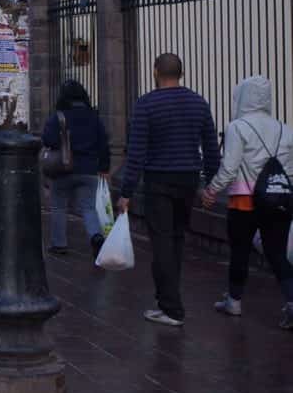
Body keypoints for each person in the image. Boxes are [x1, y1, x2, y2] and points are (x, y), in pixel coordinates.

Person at [117, 53, 219, 327]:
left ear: (154, 72)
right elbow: (211, 147)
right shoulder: (199, 103)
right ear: (181, 73)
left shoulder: (146, 104)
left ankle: (170, 307)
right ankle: (169, 299)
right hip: (188, 179)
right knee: (176, 239)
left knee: (161, 242)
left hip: (158, 180)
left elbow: (136, 152)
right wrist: (211, 184)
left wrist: (126, 191)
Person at [201, 75, 293, 328]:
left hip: (244, 201)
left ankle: (234, 301)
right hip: (278, 201)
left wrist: (211, 190)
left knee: (240, 251)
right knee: (277, 254)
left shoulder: (237, 127)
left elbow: (230, 168)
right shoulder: (285, 129)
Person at [40, 79, 110, 257]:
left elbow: (48, 139)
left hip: (63, 168)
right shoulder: (93, 116)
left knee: (58, 206)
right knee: (89, 207)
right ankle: (95, 236)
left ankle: (59, 244)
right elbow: (104, 143)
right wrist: (105, 167)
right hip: (89, 170)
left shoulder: (59, 117)